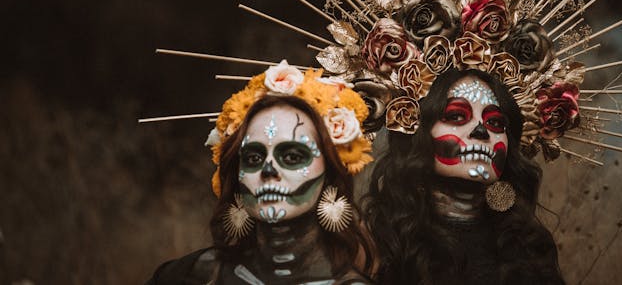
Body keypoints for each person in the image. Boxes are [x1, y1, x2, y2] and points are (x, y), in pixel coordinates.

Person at [147, 62, 376, 284]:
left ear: (331, 175)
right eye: (253, 158)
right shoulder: (192, 276)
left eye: (292, 157)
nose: (268, 170)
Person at [365, 68, 564, 284]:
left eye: (495, 123)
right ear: (419, 133)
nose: (481, 130)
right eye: (456, 116)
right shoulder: (378, 243)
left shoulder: (526, 246)